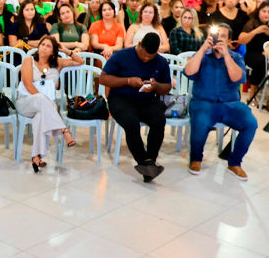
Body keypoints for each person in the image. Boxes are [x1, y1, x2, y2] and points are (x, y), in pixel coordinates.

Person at [183, 25, 257, 180]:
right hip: (203, 102)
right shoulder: (203, 54)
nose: (218, 39)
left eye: (223, 36)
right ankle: (196, 159)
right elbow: (189, 72)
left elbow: (238, 78)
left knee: (250, 123)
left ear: (229, 40)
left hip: (229, 104)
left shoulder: (236, 57)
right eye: (216, 35)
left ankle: (235, 162)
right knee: (201, 122)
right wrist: (202, 49)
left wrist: (226, 55)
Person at [100, 33, 172, 181]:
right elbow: (103, 78)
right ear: (139, 44)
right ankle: (144, 162)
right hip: (121, 99)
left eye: (150, 57)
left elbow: (167, 87)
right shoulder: (121, 56)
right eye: (144, 54)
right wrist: (127, 81)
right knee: (131, 122)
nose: (146, 59)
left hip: (147, 100)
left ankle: (150, 159)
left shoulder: (161, 62)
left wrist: (155, 86)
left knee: (159, 120)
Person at [17, 35, 80, 171]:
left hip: (45, 108)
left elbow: (80, 62)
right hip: (26, 102)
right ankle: (64, 130)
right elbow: (28, 85)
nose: (44, 48)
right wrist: (43, 100)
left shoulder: (58, 62)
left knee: (40, 116)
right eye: (42, 44)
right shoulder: (29, 61)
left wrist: (67, 50)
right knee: (40, 99)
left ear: (53, 51)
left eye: (48, 46)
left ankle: (36, 157)